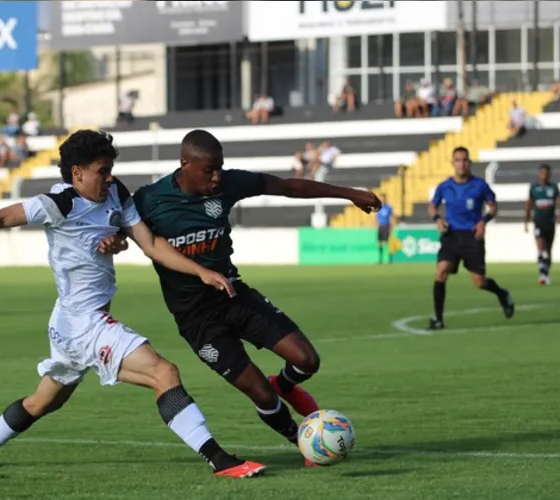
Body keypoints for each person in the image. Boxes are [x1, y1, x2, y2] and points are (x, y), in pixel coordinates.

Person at [0, 130, 266, 478]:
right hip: (84, 324)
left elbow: (151, 243)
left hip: (66, 323)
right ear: (77, 173)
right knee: (163, 372)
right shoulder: (59, 204)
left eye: (111, 168)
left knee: (43, 402)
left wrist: (200, 271)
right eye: (102, 170)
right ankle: (220, 461)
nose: (110, 177)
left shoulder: (116, 194)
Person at [130, 129, 381, 466]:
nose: (217, 177)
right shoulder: (149, 200)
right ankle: (302, 441)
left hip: (235, 296)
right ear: (184, 164)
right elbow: (115, 228)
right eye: (209, 170)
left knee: (307, 360)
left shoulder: (227, 185)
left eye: (220, 168)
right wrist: (108, 241)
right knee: (260, 392)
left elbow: (288, 187)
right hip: (198, 319)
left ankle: (288, 385)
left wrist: (348, 193)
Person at [427, 146, 515, 330]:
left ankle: (502, 294)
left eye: (465, 160)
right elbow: (433, 207)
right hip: (451, 235)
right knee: (441, 271)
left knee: (479, 282)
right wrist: (438, 219)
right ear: (453, 163)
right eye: (458, 160)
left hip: (472, 236)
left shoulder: (479, 185)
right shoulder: (445, 186)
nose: (462, 164)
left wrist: (484, 221)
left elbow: (493, 207)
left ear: (470, 162)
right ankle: (438, 319)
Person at [524, 164, 560, 285]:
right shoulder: (534, 188)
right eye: (542, 173)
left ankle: (545, 274)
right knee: (541, 247)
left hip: (550, 222)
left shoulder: (553, 187)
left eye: (546, 174)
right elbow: (529, 204)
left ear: (549, 175)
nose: (544, 176)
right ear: (539, 174)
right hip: (538, 222)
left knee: (548, 249)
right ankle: (542, 274)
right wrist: (526, 221)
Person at [376, 194, 394, 264]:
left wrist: (391, 227)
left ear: (385, 199)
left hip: (387, 226)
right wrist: (376, 224)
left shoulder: (388, 207)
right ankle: (381, 259)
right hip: (381, 226)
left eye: (383, 198)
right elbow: (376, 217)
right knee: (379, 243)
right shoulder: (378, 207)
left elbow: (392, 217)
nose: (382, 200)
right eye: (381, 199)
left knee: (388, 243)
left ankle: (390, 259)